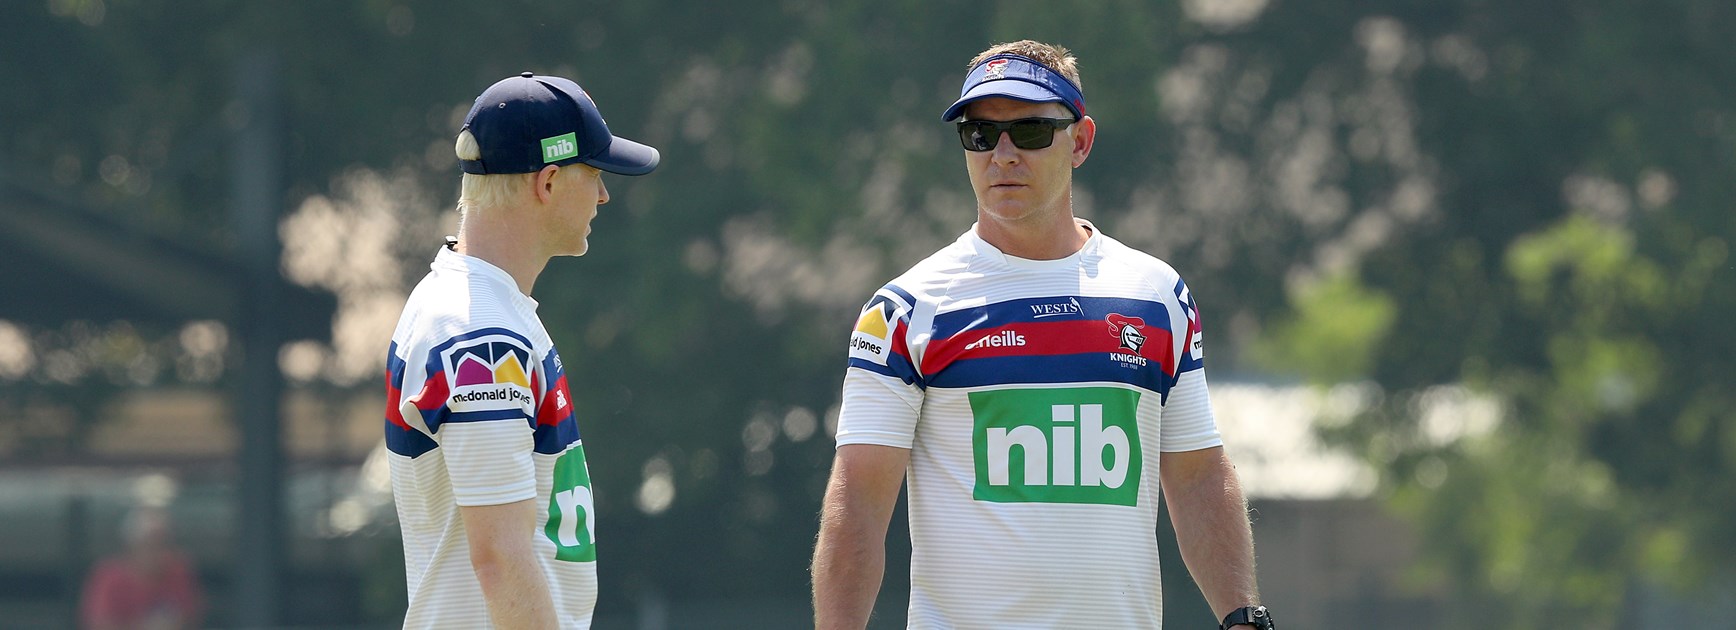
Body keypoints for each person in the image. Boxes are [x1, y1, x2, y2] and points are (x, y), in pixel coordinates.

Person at [811, 41, 1274, 630]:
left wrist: (1243, 617)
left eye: (1029, 132)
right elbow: (857, 505)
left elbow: (1200, 476)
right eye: (980, 135)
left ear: (1080, 142)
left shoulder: (1158, 295)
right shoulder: (906, 309)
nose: (1002, 155)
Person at [383, 72, 658, 629]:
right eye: (594, 174)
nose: (603, 195)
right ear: (549, 182)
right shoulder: (482, 337)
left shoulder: (474, 307)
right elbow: (501, 562)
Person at [79, 505, 205, 630]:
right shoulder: (109, 577)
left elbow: (192, 617)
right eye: (150, 544)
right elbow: (98, 625)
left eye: (163, 544)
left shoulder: (178, 572)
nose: (157, 552)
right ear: (131, 546)